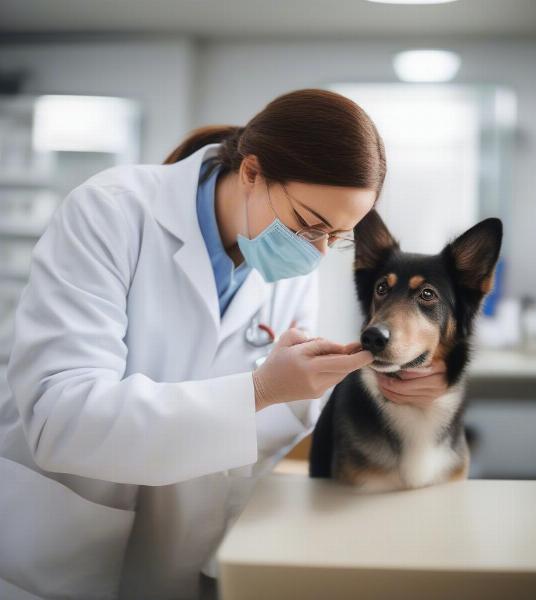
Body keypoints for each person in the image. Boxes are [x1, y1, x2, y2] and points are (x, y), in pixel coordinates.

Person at [0, 88, 448, 600]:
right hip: (58, 545)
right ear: (253, 173)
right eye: (310, 224)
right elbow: (61, 418)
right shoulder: (111, 212)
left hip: (182, 546)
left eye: (338, 236)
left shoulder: (288, 261)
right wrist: (256, 391)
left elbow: (282, 419)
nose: (318, 252)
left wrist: (381, 383)